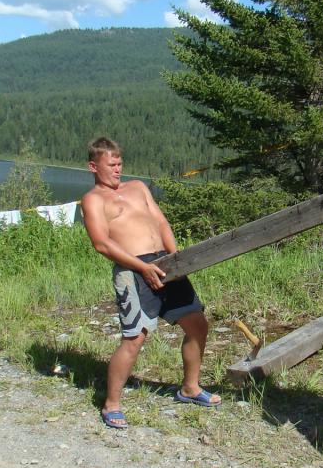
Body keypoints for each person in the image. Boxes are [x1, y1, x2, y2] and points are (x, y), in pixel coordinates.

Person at [81, 137, 220, 429]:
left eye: (120, 163)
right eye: (111, 165)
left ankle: (190, 388)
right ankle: (111, 404)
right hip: (133, 270)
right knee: (134, 338)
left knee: (197, 324)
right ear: (93, 166)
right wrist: (142, 267)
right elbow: (101, 243)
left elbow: (161, 222)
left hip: (165, 264)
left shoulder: (137, 187)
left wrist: (177, 259)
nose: (117, 169)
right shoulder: (93, 199)